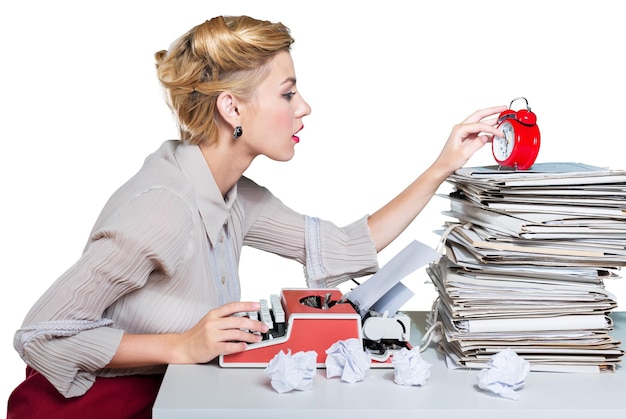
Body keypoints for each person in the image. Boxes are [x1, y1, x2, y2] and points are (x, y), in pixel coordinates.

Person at [7, 15, 505, 418]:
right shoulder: (162, 205)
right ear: (232, 108)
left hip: (172, 398)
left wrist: (443, 165)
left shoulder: (233, 194)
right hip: (90, 408)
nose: (304, 107)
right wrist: (181, 345)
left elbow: (342, 246)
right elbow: (41, 334)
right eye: (288, 93)